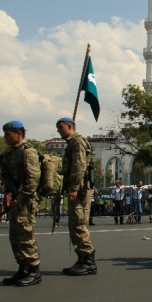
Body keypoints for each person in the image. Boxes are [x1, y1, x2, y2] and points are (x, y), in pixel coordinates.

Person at [0, 121, 42, 287]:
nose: (5, 137)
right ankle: (22, 267)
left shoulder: (28, 151)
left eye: (8, 134)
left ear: (19, 133)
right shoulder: (11, 153)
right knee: (15, 236)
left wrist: (21, 197)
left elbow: (33, 178)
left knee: (25, 236)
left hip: (25, 200)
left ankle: (33, 270)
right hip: (16, 197)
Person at [57, 117, 97, 276]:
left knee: (79, 223)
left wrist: (73, 188)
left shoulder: (77, 142)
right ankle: (81, 258)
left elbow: (79, 166)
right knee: (74, 223)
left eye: (61, 128)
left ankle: (88, 260)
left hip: (80, 189)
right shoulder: (71, 143)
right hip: (75, 187)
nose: (59, 131)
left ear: (69, 127)